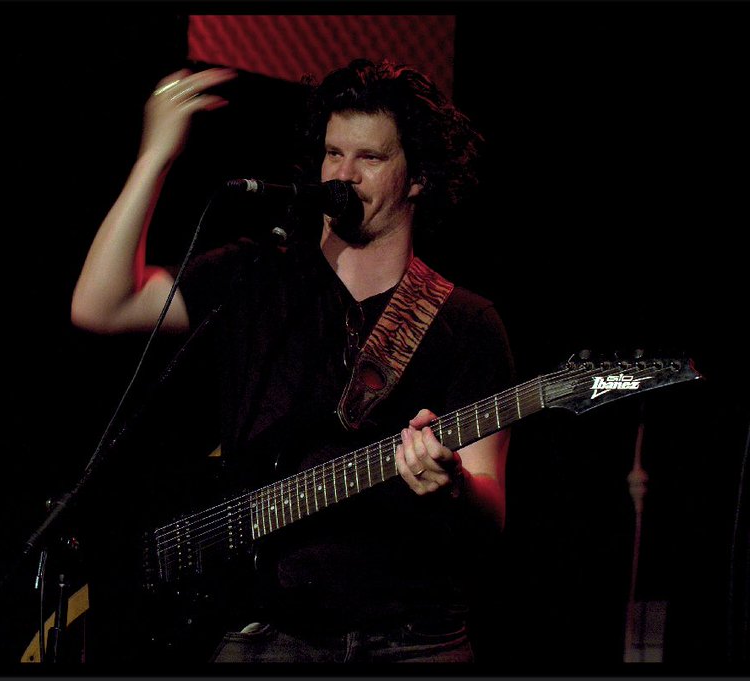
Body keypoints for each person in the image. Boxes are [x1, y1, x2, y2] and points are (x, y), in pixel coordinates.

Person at [71, 58, 514, 664]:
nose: (343, 174)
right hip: (267, 631)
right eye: (334, 153)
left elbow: (491, 507)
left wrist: (453, 486)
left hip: (413, 639)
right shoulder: (256, 276)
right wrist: (155, 158)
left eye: (370, 157)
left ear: (417, 178)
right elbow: (102, 304)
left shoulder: (467, 323)